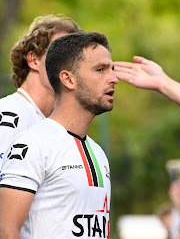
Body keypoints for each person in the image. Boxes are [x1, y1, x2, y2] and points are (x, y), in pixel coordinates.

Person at [0, 32, 118, 238]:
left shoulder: (98, 153)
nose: (114, 79)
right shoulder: (33, 144)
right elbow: (5, 230)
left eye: (112, 69)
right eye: (100, 70)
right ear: (68, 79)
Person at [0, 14, 81, 168]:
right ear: (34, 60)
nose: (71, 63)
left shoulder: (59, 127)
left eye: (76, 56)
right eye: (62, 53)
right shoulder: (7, 115)